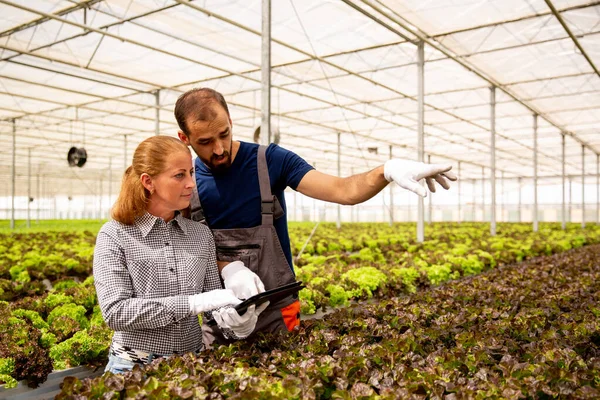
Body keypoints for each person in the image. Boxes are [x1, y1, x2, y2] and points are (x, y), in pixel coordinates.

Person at [174, 88, 457, 343]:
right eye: (206, 141)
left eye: (224, 133)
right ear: (185, 139)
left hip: (278, 310)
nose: (219, 148)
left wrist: (385, 171)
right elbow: (185, 251)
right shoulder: (187, 183)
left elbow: (343, 190)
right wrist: (229, 269)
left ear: (232, 122)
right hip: (221, 315)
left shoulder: (270, 160)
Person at [93, 135, 267, 374]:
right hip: (132, 368)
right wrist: (192, 303)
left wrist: (238, 322)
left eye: (191, 173)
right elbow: (116, 312)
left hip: (191, 367)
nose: (191, 184)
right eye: (179, 175)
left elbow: (213, 310)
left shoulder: (200, 235)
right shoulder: (114, 235)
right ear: (148, 181)